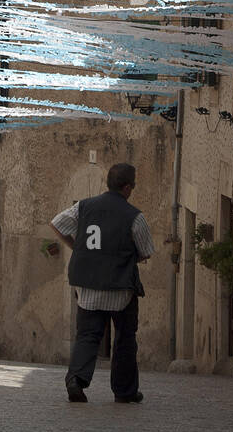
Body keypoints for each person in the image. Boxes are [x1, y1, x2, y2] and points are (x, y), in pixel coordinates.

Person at [51, 162, 155, 404]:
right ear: (127, 187)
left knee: (87, 335)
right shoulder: (134, 216)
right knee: (125, 338)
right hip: (120, 287)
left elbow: (57, 224)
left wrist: (76, 246)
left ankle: (76, 380)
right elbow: (147, 250)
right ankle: (124, 391)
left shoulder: (83, 207)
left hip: (87, 284)